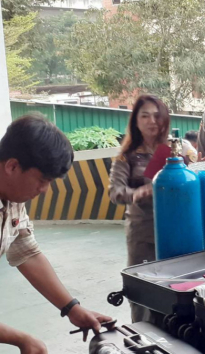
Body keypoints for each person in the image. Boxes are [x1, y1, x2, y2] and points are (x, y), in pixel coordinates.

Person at [0, 114, 112, 353]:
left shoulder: (12, 198)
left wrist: (71, 307)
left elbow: (27, 253)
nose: (44, 190)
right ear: (12, 166)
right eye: (42, 180)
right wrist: (21, 339)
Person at [108, 95, 170, 322]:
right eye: (145, 115)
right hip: (143, 233)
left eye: (156, 115)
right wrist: (138, 193)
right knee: (142, 289)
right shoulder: (126, 156)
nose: (152, 120)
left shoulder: (170, 153)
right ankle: (142, 336)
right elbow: (115, 192)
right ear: (136, 121)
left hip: (172, 231)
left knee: (171, 286)